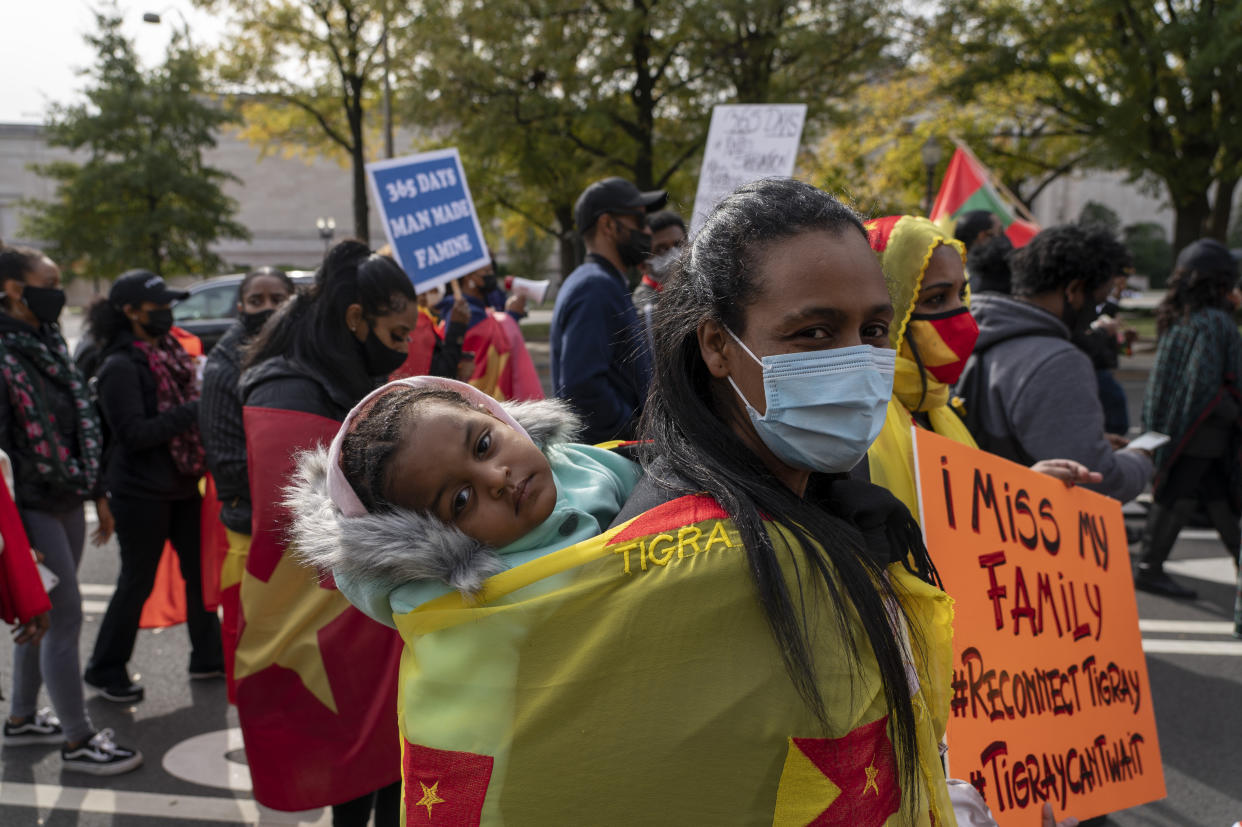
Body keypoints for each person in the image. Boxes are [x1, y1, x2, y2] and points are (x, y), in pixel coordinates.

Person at [238, 240, 417, 826]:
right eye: (396, 336)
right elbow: (297, 521)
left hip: (360, 608)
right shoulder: (285, 390)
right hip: (322, 608)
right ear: (355, 320)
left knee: (385, 759)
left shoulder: (330, 373)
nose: (403, 351)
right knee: (359, 761)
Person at [285, 376, 640, 627]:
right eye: (461, 500)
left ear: (496, 417)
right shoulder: (455, 601)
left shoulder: (583, 464)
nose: (496, 479)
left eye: (484, 445)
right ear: (429, 538)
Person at [0, 248, 141, 774]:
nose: (59, 292)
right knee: (63, 618)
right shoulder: (4, 352)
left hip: (65, 497)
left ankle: (20, 720)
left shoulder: (46, 341)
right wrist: (17, 541)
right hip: (30, 507)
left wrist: (97, 494)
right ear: (14, 288)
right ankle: (79, 742)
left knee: (42, 620)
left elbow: (78, 425)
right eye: (50, 282)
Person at [863, 217, 1098, 518]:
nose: (962, 316)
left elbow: (964, 516)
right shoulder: (857, 432)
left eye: (961, 294)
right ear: (884, 313)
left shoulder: (936, 406)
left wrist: (1028, 488)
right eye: (935, 299)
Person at [83, 269, 223, 702]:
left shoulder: (169, 354)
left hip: (179, 484)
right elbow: (134, 435)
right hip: (140, 491)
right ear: (129, 312)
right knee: (137, 581)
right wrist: (195, 410)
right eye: (156, 306)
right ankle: (105, 669)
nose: (166, 313)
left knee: (200, 575)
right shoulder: (119, 366)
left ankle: (208, 658)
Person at [956, 224, 1153, 502]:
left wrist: (1086, 440)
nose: (1095, 315)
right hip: (1027, 525)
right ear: (1074, 291)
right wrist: (1140, 458)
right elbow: (1098, 480)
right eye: (1097, 302)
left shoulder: (973, 333)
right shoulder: (1058, 361)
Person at [199, 266, 295, 694]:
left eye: (278, 298)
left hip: (297, 523)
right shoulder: (223, 367)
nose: (268, 307)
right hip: (253, 526)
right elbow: (228, 464)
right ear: (241, 306)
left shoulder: (301, 352)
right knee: (259, 650)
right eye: (257, 300)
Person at [1137, 239, 1242, 599]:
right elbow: (1208, 385)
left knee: (1216, 497)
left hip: (1186, 427)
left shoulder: (1178, 315)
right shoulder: (1214, 321)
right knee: (1180, 494)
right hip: (1204, 429)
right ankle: (1149, 567)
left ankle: (1152, 566)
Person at [550, 177, 666, 443]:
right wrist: (637, 433)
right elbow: (582, 387)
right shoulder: (594, 287)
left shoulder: (603, 283)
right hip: (611, 460)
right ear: (608, 225)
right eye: (639, 221)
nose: (648, 232)